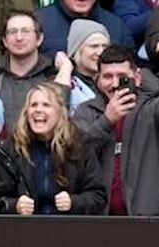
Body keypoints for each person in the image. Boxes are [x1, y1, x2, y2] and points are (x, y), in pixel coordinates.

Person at [73, 41, 159, 216]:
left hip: (146, 220)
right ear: (98, 80)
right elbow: (76, 152)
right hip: (98, 221)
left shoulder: (151, 109)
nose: (115, 84)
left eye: (122, 76)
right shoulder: (86, 111)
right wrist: (107, 120)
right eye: (107, 77)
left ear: (137, 78)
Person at [6, 83, 107, 215]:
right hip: (24, 230)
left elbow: (98, 196)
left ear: (60, 112)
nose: (38, 110)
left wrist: (74, 202)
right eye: (33, 105)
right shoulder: (12, 148)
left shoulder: (79, 145)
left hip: (67, 230)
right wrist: (15, 206)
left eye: (46, 105)